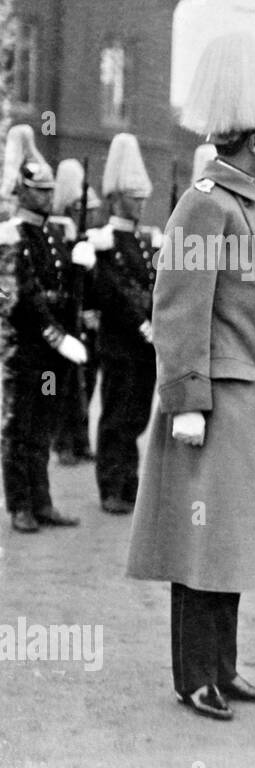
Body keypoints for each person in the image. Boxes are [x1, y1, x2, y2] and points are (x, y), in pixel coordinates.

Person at [124, 31, 255, 721]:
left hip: (248, 394)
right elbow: (178, 306)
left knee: (230, 539)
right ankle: (196, 674)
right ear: (252, 138)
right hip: (213, 398)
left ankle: (224, 664)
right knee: (201, 537)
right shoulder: (203, 202)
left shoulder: (249, 203)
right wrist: (186, 397)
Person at [0, 125, 91, 533]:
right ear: (21, 190)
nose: (47, 196)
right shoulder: (10, 235)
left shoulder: (54, 235)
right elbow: (22, 297)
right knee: (19, 426)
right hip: (23, 352)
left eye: (49, 189)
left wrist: (78, 267)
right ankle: (20, 504)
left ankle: (42, 501)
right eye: (39, 190)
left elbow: (62, 291)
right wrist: (59, 336)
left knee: (43, 425)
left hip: (52, 359)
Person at [93, 133, 159, 515]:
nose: (141, 203)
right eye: (135, 197)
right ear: (117, 197)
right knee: (117, 416)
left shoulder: (145, 242)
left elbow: (151, 287)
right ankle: (110, 486)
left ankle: (128, 482)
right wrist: (143, 326)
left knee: (136, 415)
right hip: (120, 342)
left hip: (143, 346)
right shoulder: (106, 241)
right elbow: (114, 293)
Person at [49, 158, 100, 466]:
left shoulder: (89, 241)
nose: (92, 213)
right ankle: (63, 442)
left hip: (88, 322)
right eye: (86, 208)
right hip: (65, 323)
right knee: (65, 386)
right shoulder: (57, 237)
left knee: (87, 383)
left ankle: (80, 440)